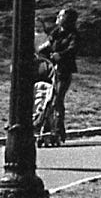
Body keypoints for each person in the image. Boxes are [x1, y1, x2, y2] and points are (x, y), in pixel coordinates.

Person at [37, 8, 80, 145]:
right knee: (49, 98)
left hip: (64, 70)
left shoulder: (73, 35)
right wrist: (40, 51)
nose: (58, 18)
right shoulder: (56, 32)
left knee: (58, 99)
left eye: (61, 16)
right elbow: (48, 45)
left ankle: (57, 129)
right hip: (51, 70)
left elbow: (73, 49)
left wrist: (60, 55)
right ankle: (51, 128)